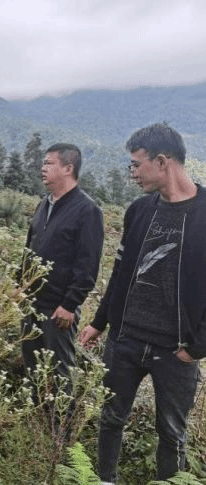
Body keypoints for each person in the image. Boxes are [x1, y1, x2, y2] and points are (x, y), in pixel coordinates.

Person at [79, 123, 205, 483]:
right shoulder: (138, 210)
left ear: (162, 161)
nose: (132, 173)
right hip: (126, 340)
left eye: (136, 164)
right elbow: (121, 273)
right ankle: (105, 480)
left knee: (172, 434)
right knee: (111, 418)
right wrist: (100, 322)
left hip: (176, 350)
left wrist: (197, 348)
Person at [20, 143, 104, 397]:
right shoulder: (44, 204)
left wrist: (69, 304)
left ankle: (61, 421)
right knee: (32, 368)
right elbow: (29, 247)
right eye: (43, 163)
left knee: (60, 374)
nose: (43, 168)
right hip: (31, 302)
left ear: (68, 168)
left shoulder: (87, 210)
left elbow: (88, 265)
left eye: (49, 163)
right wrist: (20, 284)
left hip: (58, 309)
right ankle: (34, 415)